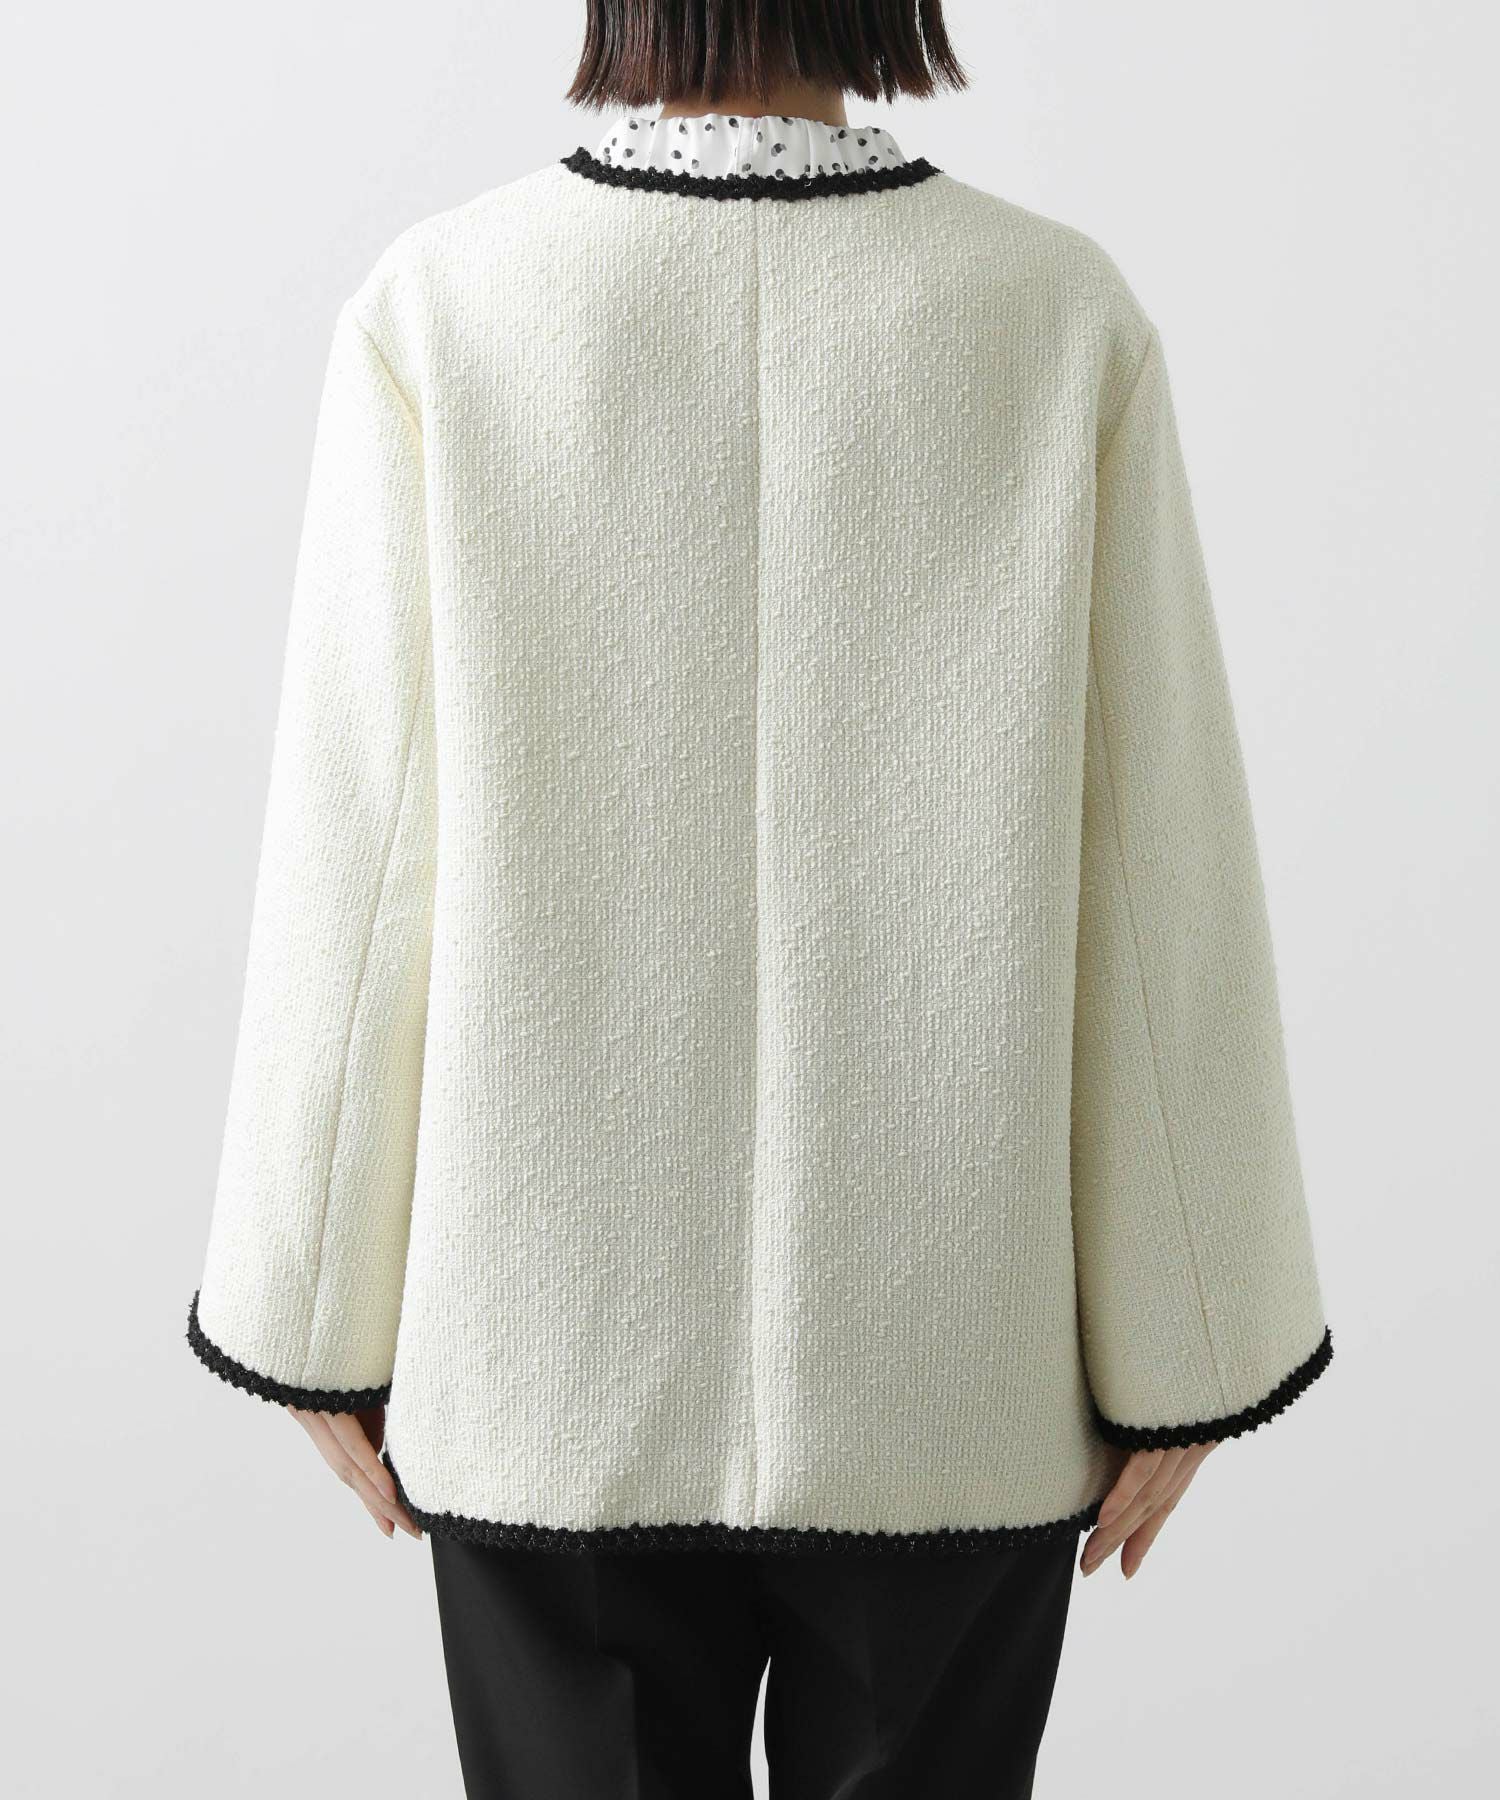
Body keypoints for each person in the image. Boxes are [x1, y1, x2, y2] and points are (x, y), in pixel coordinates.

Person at [185, 4, 1334, 1794]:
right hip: (948, 1364)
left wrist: (309, 1297)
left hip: (551, 1355)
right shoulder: (1053, 315)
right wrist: (1195, 1330)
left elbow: (364, 833)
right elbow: (1151, 849)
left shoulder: (446, 309)